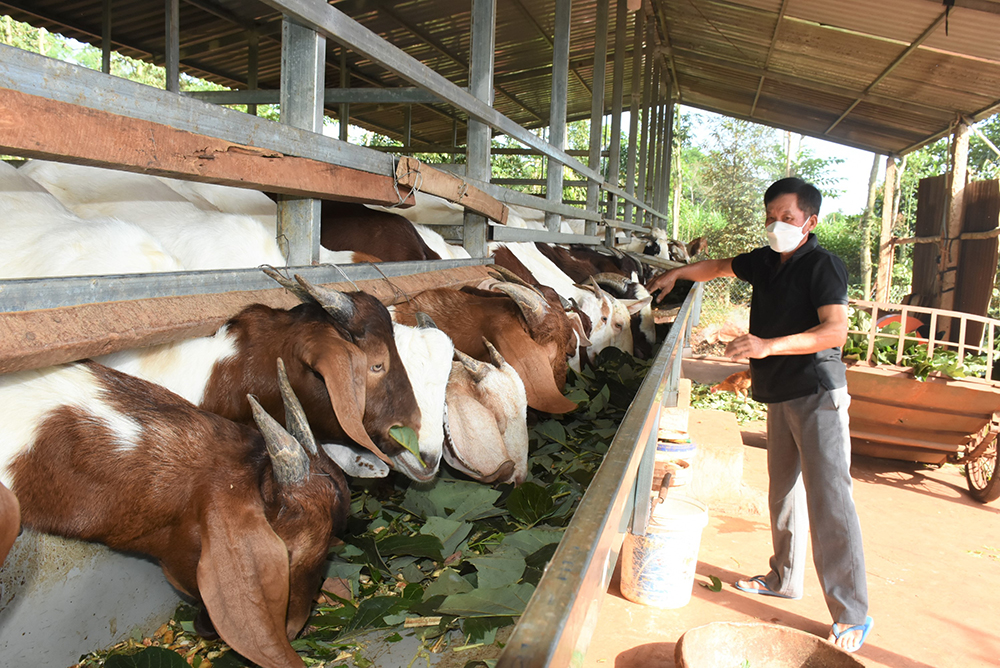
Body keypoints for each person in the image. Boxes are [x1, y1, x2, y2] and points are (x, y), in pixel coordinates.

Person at [646, 177, 872, 653]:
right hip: (781, 392)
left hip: (817, 392)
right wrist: (677, 274)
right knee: (783, 490)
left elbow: (834, 332)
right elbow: (720, 267)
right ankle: (784, 577)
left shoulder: (823, 265)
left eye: (787, 218)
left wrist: (768, 345)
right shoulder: (766, 261)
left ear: (810, 221)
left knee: (831, 499)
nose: (776, 226)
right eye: (771, 217)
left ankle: (852, 613)